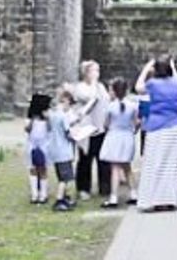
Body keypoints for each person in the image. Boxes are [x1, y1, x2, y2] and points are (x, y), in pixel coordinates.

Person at [134, 55, 177, 212]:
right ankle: (168, 199)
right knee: (172, 166)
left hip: (157, 127)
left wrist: (146, 67)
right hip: (176, 127)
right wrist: (174, 67)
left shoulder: (153, 84)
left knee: (153, 164)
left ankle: (151, 199)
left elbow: (138, 87)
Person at [70, 60, 111, 200]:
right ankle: (83, 188)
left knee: (103, 159)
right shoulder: (80, 87)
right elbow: (90, 97)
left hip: (100, 127)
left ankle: (105, 187)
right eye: (94, 70)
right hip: (86, 129)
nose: (97, 74)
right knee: (85, 159)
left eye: (98, 70)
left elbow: (106, 101)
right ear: (86, 73)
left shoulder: (101, 87)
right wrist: (93, 83)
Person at [99, 77, 139, 208]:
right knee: (127, 167)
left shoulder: (111, 107)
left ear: (114, 92)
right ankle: (134, 193)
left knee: (115, 167)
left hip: (114, 136)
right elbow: (136, 123)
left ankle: (113, 197)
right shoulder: (133, 106)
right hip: (127, 137)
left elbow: (106, 124)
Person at [48, 89, 79, 211]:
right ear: (65, 102)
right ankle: (59, 200)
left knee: (61, 175)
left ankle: (65, 197)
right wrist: (77, 135)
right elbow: (68, 133)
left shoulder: (52, 115)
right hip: (64, 151)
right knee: (65, 178)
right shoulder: (63, 116)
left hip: (55, 150)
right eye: (69, 104)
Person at [25, 93, 51, 204]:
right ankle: (34, 194)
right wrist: (32, 120)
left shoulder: (46, 119)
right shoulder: (30, 119)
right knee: (33, 169)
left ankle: (43, 194)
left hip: (44, 145)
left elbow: (50, 129)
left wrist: (47, 119)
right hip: (32, 145)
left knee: (43, 169)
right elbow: (27, 129)